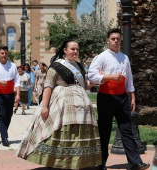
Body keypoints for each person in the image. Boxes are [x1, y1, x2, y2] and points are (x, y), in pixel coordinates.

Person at [17, 40, 102, 169]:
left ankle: (79, 161)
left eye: (77, 49)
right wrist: (44, 106)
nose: (75, 52)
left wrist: (98, 79)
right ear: (65, 50)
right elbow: (48, 86)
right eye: (73, 49)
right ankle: (58, 161)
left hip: (82, 106)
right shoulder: (56, 66)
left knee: (79, 132)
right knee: (59, 129)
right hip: (62, 103)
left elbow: (84, 85)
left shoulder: (79, 66)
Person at [88, 28, 150, 170]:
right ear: (107, 40)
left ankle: (135, 163)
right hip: (106, 97)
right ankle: (100, 163)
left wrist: (132, 96)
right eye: (113, 39)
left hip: (122, 97)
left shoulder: (124, 58)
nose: (116, 41)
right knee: (104, 131)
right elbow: (91, 76)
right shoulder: (101, 57)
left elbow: (129, 80)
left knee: (127, 130)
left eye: (118, 39)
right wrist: (109, 77)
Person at [0, 45, 20, 147]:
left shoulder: (13, 66)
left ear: (8, 54)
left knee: (9, 115)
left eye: (5, 53)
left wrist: (17, 94)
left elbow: (17, 81)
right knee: (2, 115)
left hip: (10, 94)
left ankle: (3, 132)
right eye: (2, 53)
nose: (4, 55)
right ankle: (4, 138)